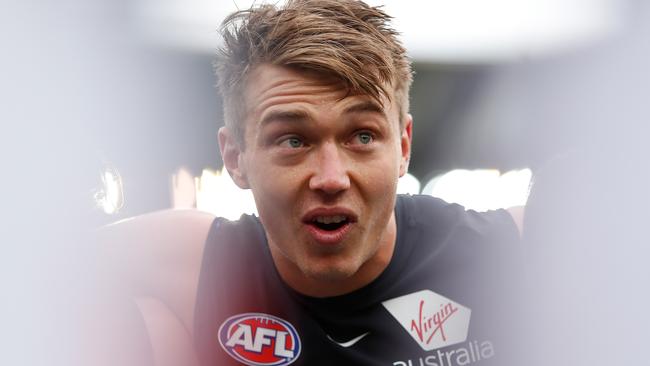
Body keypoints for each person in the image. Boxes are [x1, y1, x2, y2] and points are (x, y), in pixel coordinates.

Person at [101, 1, 523, 365]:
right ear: (235, 158)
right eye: (293, 140)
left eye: (362, 136)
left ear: (404, 146)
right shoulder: (196, 264)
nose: (331, 178)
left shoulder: (504, 255)